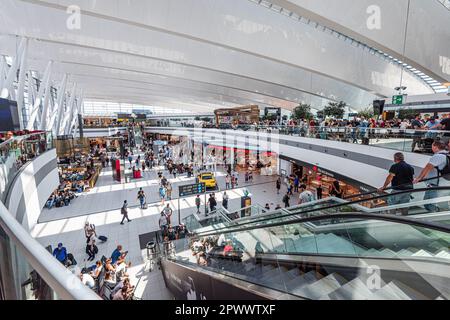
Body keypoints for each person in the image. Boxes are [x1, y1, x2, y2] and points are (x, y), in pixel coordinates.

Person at [414, 140, 450, 212]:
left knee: (428, 204)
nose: (432, 148)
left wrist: (418, 178)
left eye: (432, 146)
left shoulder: (438, 156)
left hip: (434, 184)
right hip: (444, 182)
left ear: (436, 147)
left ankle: (436, 215)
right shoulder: (447, 154)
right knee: (435, 202)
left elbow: (427, 168)